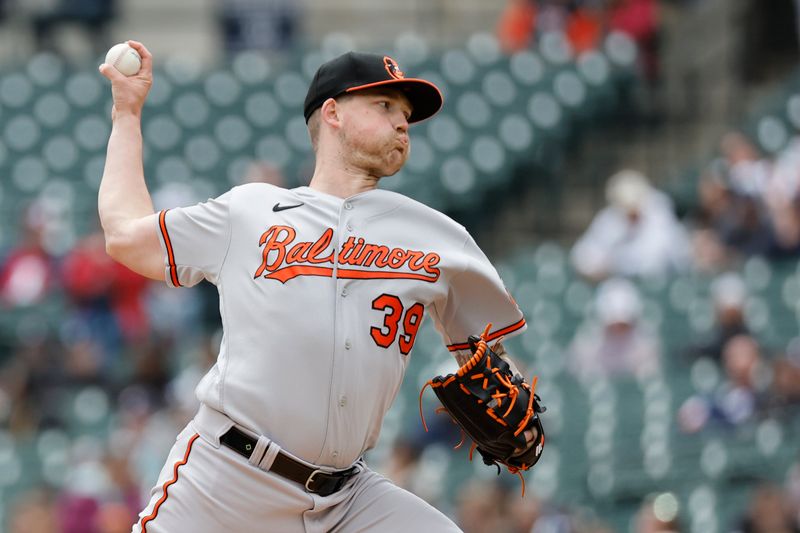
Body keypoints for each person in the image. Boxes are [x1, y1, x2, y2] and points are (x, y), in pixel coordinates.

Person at [98, 42, 539, 532]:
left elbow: (485, 359)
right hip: (226, 483)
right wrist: (127, 112)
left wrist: (500, 383)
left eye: (407, 115)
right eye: (385, 105)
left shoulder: (440, 238)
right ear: (332, 113)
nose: (402, 124)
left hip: (347, 500)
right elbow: (124, 234)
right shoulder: (250, 211)